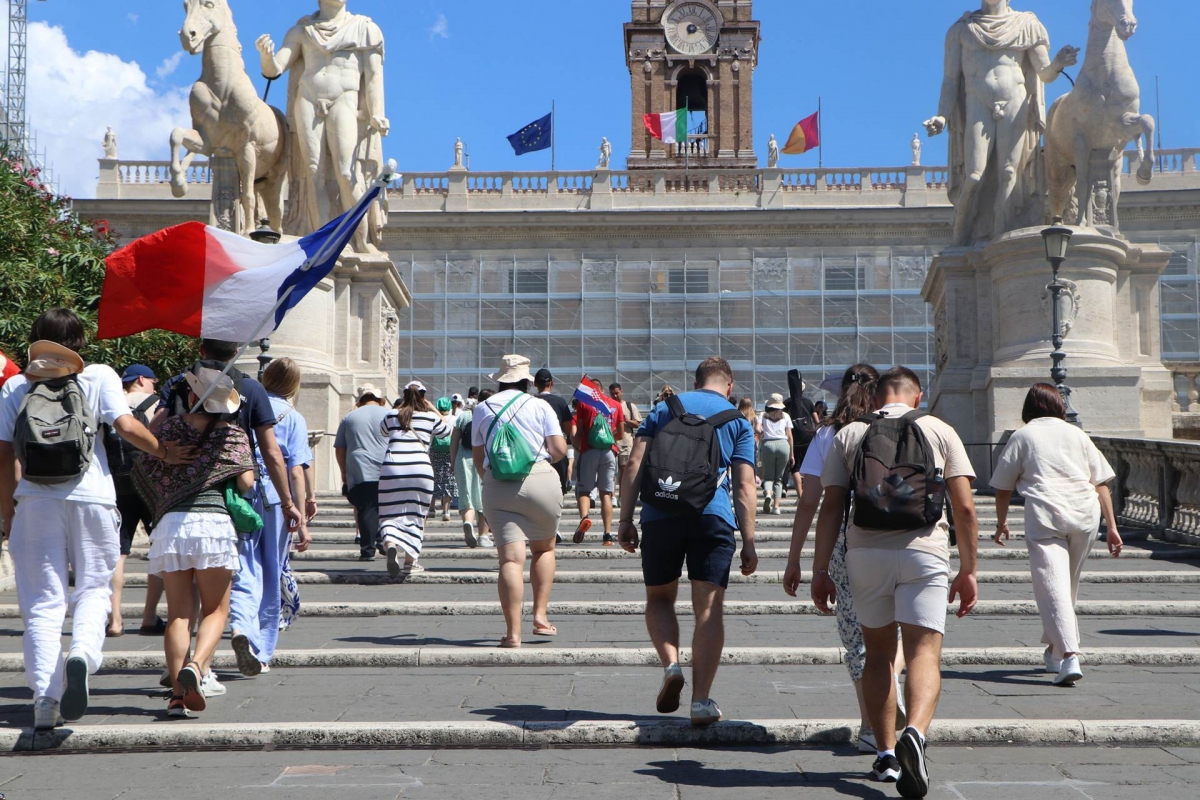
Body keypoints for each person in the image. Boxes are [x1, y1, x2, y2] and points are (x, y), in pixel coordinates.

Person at [0, 309, 194, 730]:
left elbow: (3, 457)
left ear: (36, 340)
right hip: (94, 498)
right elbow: (125, 425)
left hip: (34, 501)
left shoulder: (16, 385)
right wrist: (163, 451)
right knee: (93, 588)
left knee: (41, 604)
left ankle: (45, 700)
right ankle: (82, 655)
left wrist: (9, 513)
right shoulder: (99, 375)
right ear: (79, 342)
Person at [811, 366, 978, 795]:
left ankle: (885, 756)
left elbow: (830, 508)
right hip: (924, 551)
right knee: (923, 651)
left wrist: (819, 570)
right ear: (917, 395)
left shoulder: (850, 434)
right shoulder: (940, 429)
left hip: (865, 554)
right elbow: (964, 508)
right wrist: (969, 570)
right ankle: (915, 735)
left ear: (877, 396)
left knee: (879, 653)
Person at [618, 356, 758, 727]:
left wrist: (625, 519)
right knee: (708, 609)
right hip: (712, 517)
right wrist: (749, 541)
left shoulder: (666, 407)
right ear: (729, 386)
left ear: (695, 382)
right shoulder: (737, 420)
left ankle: (671, 666)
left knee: (660, 598)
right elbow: (745, 485)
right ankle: (700, 701)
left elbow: (634, 463)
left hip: (661, 513)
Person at [154, 339, 306, 678]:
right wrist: (289, 501)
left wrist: (167, 455)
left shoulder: (178, 384)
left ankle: (179, 675)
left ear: (201, 347)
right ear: (237, 349)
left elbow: (152, 433)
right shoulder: (249, 395)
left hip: (175, 506)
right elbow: (269, 456)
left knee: (180, 607)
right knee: (227, 594)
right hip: (223, 508)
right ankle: (215, 658)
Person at [783, 364, 908, 755]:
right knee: (900, 628)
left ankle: (872, 724)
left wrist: (797, 559)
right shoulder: (898, 427)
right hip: (902, 534)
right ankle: (894, 685)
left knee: (857, 636)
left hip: (847, 540)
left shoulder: (829, 433)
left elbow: (811, 501)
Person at [133, 366, 256, 717]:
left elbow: (144, 466)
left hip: (171, 525)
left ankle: (176, 694)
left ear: (191, 396)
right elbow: (247, 483)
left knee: (178, 615)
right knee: (216, 609)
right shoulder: (232, 435)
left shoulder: (169, 429)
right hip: (214, 524)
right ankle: (199, 668)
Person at [990, 383, 1123, 687]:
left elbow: (1003, 487)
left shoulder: (1023, 436)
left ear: (1029, 408)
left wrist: (1001, 523)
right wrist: (1112, 527)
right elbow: (1101, 482)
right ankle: (1053, 649)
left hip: (1046, 514)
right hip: (1085, 513)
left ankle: (1070, 655)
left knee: (1052, 585)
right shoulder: (1077, 434)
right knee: (1067, 586)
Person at [473, 356, 567, 647]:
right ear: (527, 381)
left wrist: (493, 477)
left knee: (511, 560)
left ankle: (513, 634)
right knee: (544, 548)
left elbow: (478, 458)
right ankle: (540, 616)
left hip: (498, 483)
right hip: (540, 478)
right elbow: (559, 449)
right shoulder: (540, 405)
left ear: (499, 379)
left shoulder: (481, 408)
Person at [255, 357, 314, 664]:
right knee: (272, 567)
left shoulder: (246, 406)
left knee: (246, 567)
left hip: (241, 490)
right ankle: (262, 649)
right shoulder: (293, 416)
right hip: (274, 497)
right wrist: (300, 515)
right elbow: (295, 471)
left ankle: (243, 626)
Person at [108, 364, 166, 638]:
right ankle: (149, 616)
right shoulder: (156, 404)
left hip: (117, 484)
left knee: (118, 553)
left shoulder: (112, 405)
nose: (156, 385)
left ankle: (115, 620)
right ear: (142, 379)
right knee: (159, 548)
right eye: (153, 380)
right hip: (151, 484)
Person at [378, 381, 452, 579]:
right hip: (420, 469)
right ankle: (410, 562)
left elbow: (383, 431)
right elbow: (447, 431)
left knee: (388, 512)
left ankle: (391, 544)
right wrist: (433, 408)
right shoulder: (429, 418)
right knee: (418, 514)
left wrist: (399, 407)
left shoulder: (392, 415)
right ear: (423, 397)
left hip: (392, 468)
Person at [337, 384, 391, 561]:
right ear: (380, 400)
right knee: (387, 507)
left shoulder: (349, 417)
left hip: (360, 467)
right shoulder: (389, 415)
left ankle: (367, 549)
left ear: (360, 401)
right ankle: (385, 541)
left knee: (366, 508)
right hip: (387, 466)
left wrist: (343, 471)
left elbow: (340, 447)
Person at [573, 386, 624, 546]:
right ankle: (607, 535)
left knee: (584, 491)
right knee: (606, 494)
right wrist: (608, 438)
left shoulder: (584, 404)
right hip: (609, 451)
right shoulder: (616, 404)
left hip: (589, 450)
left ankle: (584, 518)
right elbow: (621, 433)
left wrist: (578, 445)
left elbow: (580, 431)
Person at [451, 389, 493, 548]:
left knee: (466, 495)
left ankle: (468, 522)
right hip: (484, 459)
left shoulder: (464, 416)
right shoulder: (491, 416)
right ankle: (483, 536)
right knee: (483, 497)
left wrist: (453, 460)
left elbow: (454, 440)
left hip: (464, 459)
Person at [535, 369, 574, 497]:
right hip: (555, 450)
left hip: (534, 450)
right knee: (557, 489)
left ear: (535, 384)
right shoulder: (560, 402)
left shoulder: (529, 401)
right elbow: (568, 429)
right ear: (552, 383)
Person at [759, 394, 794, 515]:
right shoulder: (786, 416)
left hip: (768, 444)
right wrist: (792, 454)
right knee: (778, 478)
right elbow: (789, 436)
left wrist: (764, 430)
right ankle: (776, 507)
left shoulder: (763, 415)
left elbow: (757, 429)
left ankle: (768, 493)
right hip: (783, 445)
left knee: (768, 476)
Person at [609, 382, 641, 509]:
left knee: (624, 471)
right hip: (611, 442)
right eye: (612, 393)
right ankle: (612, 496)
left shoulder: (629, 406)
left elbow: (638, 423)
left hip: (626, 443)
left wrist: (625, 420)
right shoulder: (608, 406)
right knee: (611, 472)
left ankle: (622, 496)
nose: (615, 395)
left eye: (617, 393)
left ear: (621, 392)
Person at [431, 397, 458, 523]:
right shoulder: (454, 419)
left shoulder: (433, 418)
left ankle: (431, 508)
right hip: (450, 452)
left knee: (433, 478)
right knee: (448, 480)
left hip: (435, 451)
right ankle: (446, 511)